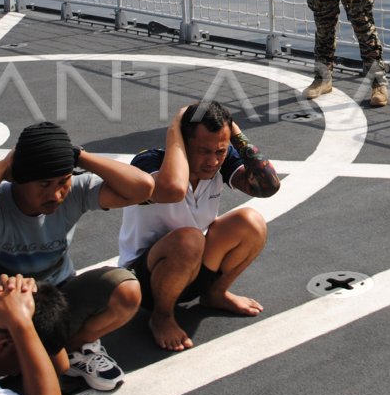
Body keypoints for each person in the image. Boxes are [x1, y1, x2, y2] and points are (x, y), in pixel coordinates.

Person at [0, 121, 154, 392]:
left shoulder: (75, 190)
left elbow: (143, 187)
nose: (55, 194)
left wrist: (79, 156)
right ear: (17, 178)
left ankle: (76, 346)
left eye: (62, 182)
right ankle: (8, 363)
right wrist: (0, 168)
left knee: (127, 289)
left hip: (55, 298)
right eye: (43, 184)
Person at [118, 102, 280, 351]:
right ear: (183, 142)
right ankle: (162, 316)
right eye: (203, 151)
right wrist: (174, 128)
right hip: (144, 282)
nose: (212, 161)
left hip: (192, 268)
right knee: (190, 239)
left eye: (220, 151)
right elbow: (172, 189)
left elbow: (268, 185)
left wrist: (233, 131)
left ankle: (215, 294)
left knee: (252, 222)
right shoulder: (147, 162)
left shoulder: (218, 163)